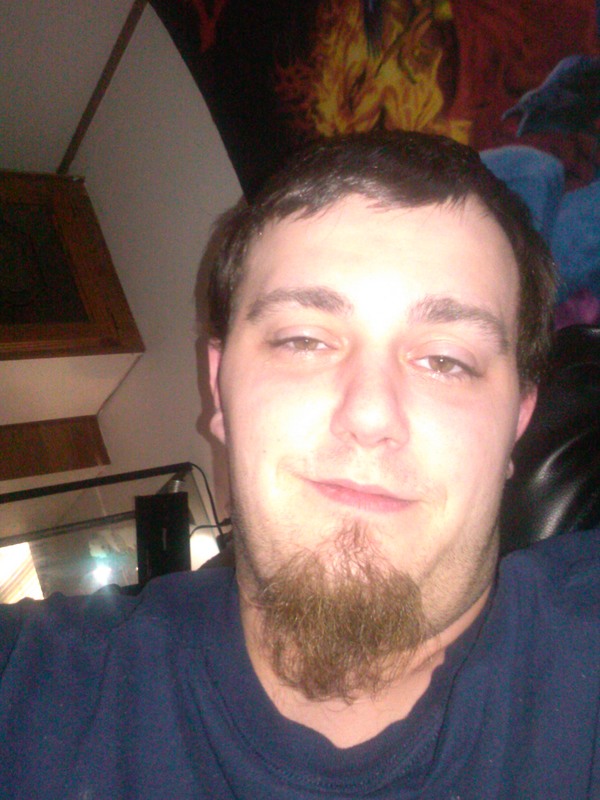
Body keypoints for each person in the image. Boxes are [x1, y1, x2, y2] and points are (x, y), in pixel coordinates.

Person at [0, 132, 598, 799]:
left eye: (445, 360)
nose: (369, 414)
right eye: (304, 340)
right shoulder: (32, 691)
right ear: (219, 389)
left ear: (518, 420)